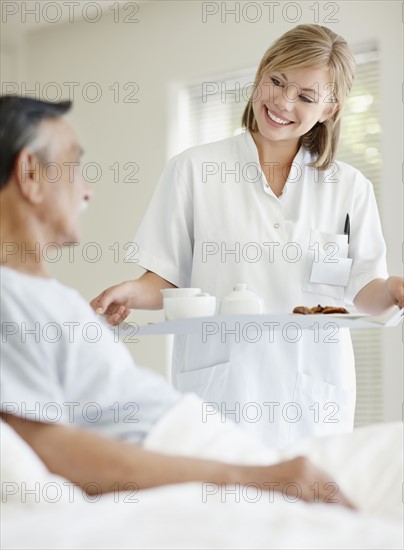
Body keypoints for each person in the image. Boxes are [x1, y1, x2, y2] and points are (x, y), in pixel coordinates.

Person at [0, 94, 356, 507]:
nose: (88, 191)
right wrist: (257, 479)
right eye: (76, 166)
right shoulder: (10, 297)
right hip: (201, 464)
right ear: (28, 172)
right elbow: (50, 451)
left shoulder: (50, 297)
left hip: (219, 447)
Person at [91, 24, 404, 448]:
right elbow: (166, 278)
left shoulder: (350, 187)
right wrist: (130, 290)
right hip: (221, 393)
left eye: (306, 97)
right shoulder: (194, 170)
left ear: (330, 109)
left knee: (307, 509)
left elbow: (365, 290)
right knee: (217, 503)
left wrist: (392, 290)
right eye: (276, 81)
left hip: (314, 399)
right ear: (261, 74)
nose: (282, 102)